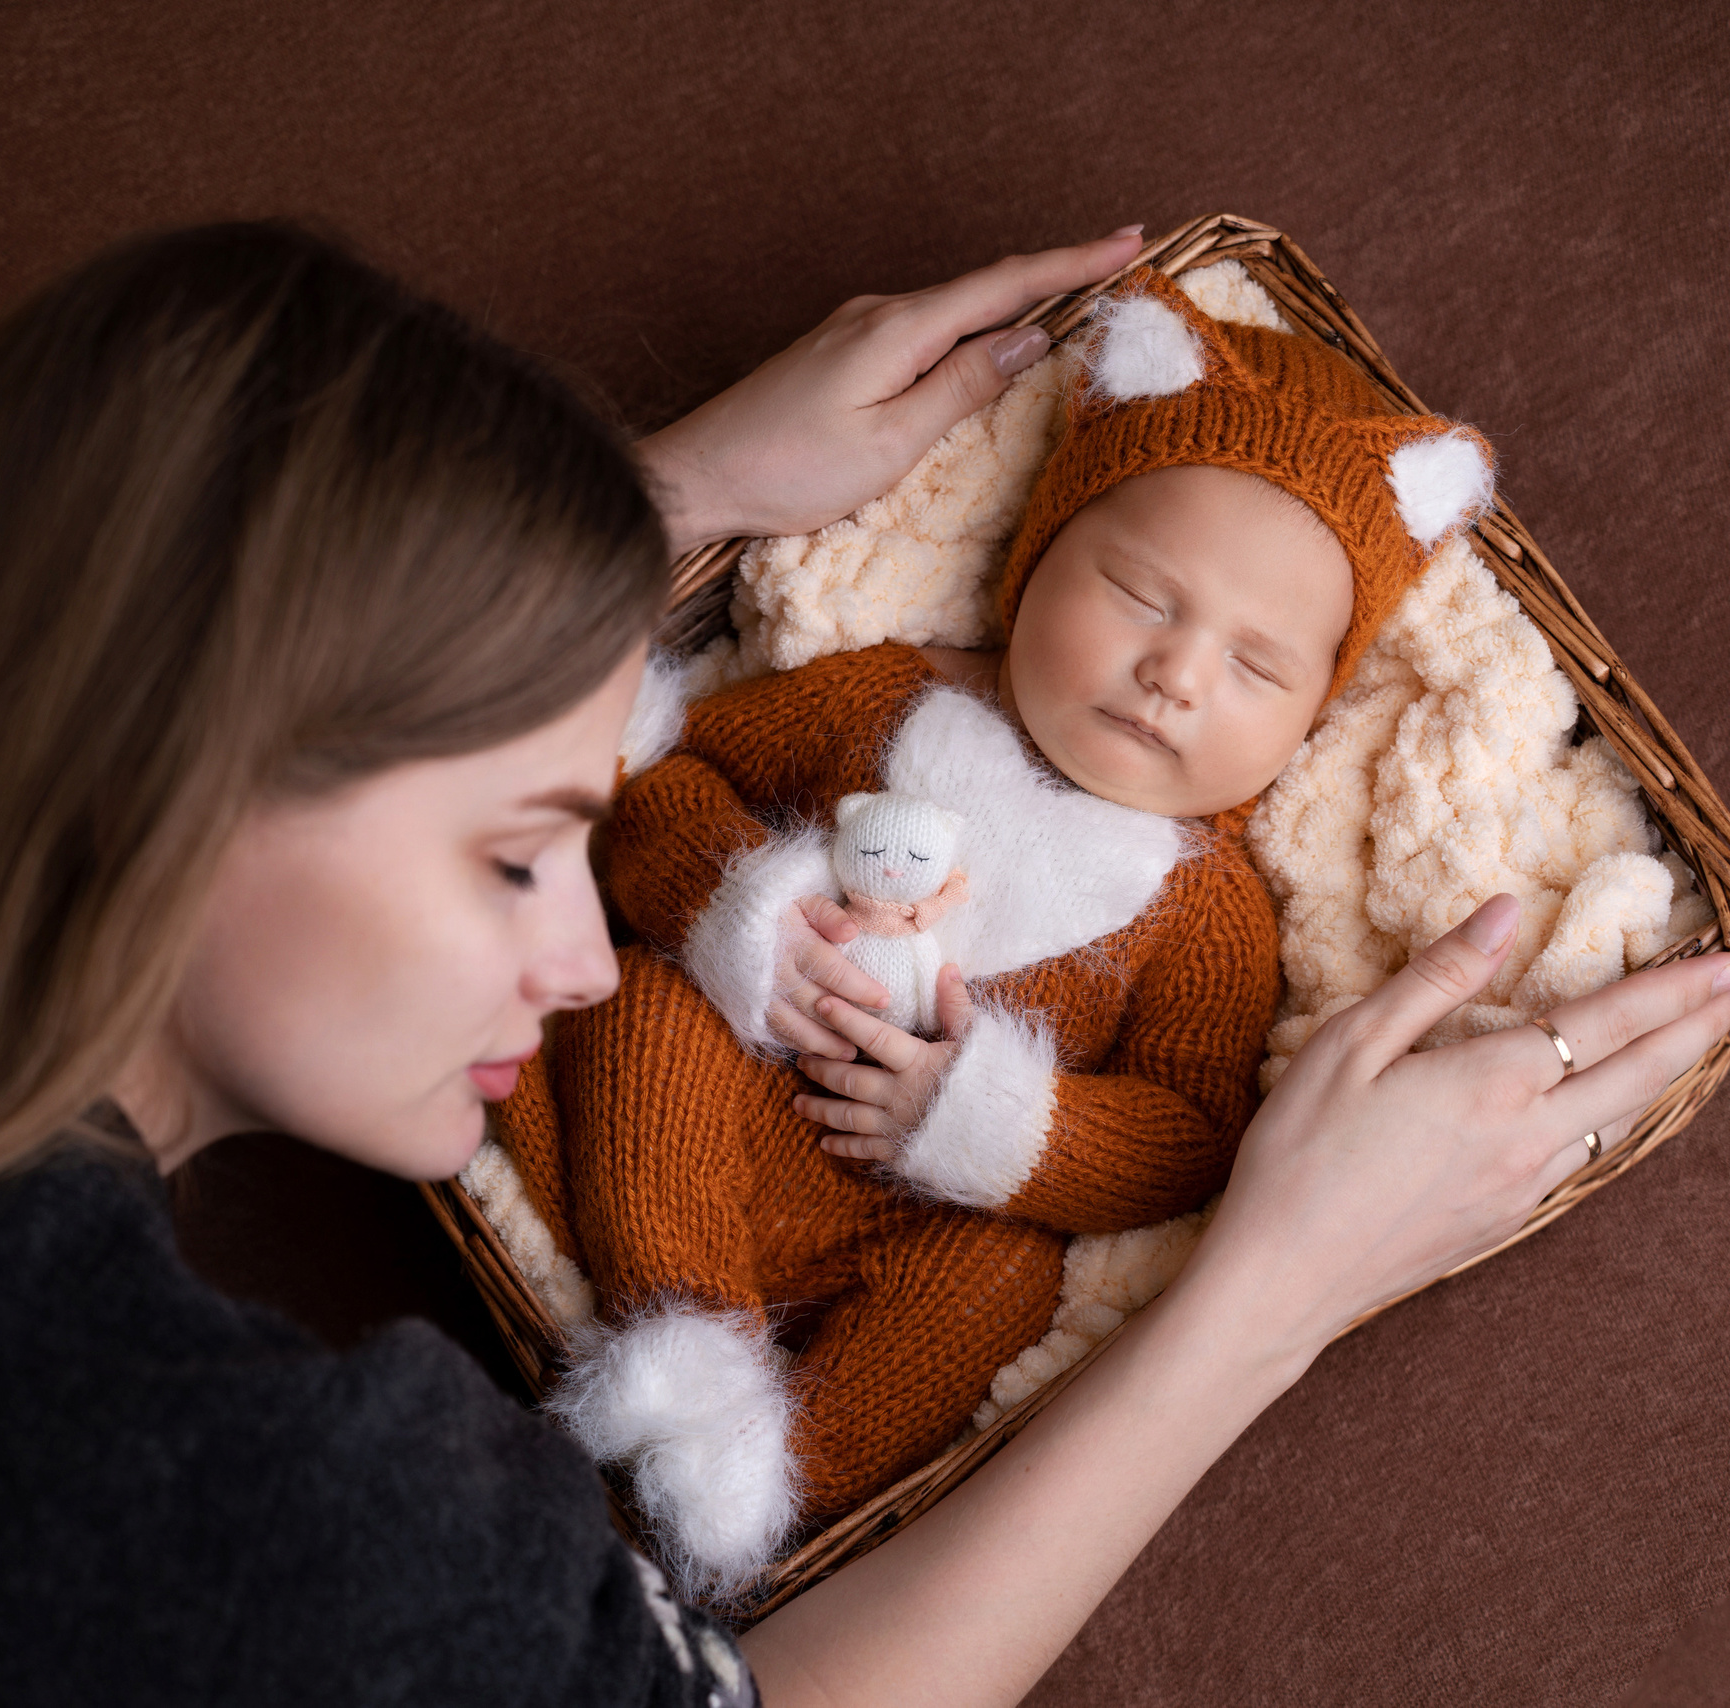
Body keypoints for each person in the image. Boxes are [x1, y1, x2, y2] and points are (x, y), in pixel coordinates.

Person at [0, 219, 1730, 1707]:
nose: (593, 961)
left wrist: (625, 512)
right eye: (517, 853)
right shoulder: (240, 1497)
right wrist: (1276, 1279)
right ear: (170, 759)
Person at [499, 264, 1511, 1590]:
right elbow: (670, 784)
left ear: (1312, 710)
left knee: (1007, 1275)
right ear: (1040, 554)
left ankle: (779, 1473)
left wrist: (998, 1124)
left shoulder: (1205, 909)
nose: (1177, 672)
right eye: (1143, 595)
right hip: (694, 1135)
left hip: (909, 1223)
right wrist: (748, 909)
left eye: (1258, 666)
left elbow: (1189, 1136)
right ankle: (685, 1343)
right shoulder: (889, 699)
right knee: (644, 1008)